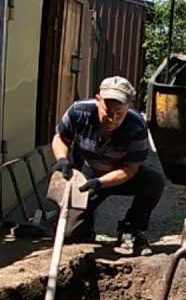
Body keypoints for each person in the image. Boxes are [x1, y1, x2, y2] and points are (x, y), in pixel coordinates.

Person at [51, 76, 164, 256]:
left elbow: (130, 169)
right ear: (98, 100)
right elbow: (61, 138)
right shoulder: (79, 112)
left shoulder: (137, 126)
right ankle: (85, 230)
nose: (112, 118)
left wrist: (100, 182)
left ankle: (130, 230)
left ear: (129, 107)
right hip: (87, 176)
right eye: (108, 111)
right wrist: (62, 158)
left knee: (154, 181)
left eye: (119, 112)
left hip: (121, 176)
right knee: (71, 235)